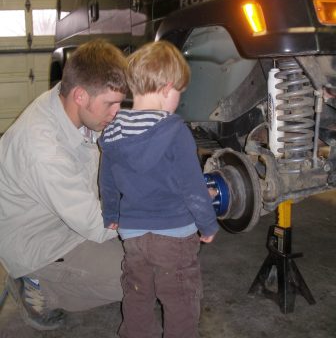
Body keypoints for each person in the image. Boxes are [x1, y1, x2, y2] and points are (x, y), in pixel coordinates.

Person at [0, 39, 128, 331]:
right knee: (142, 275)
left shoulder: (68, 101)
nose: (117, 112)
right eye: (111, 104)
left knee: (149, 250)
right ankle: (36, 284)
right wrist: (158, 210)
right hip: (39, 243)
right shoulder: (44, 151)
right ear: (81, 95)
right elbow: (99, 225)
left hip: (68, 215)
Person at [98, 40, 219, 338]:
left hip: (133, 235)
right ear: (167, 89)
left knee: (138, 294)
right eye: (179, 92)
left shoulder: (113, 132)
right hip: (175, 235)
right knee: (180, 300)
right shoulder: (175, 131)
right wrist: (208, 224)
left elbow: (107, 181)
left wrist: (110, 214)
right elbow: (192, 186)